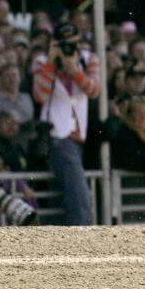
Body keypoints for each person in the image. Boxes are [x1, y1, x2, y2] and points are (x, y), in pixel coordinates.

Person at [32, 22, 101, 225]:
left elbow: (94, 91)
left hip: (81, 137)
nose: (68, 48)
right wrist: (52, 63)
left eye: (72, 43)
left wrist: (74, 71)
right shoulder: (41, 61)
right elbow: (40, 95)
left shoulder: (89, 59)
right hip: (57, 137)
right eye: (63, 44)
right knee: (80, 195)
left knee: (69, 191)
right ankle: (83, 233)